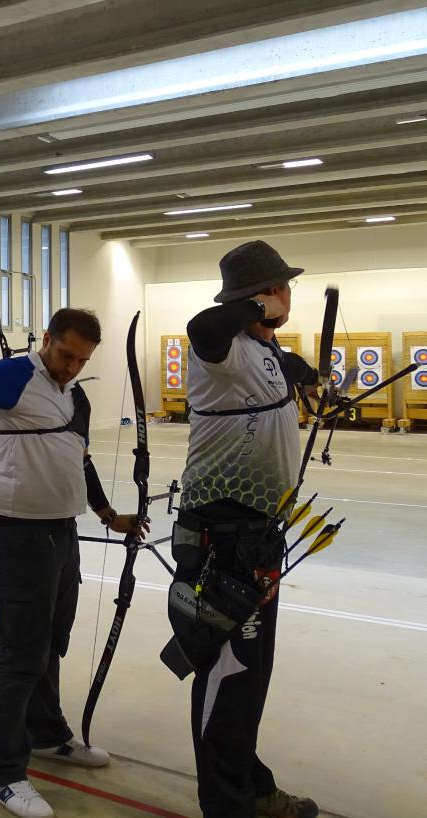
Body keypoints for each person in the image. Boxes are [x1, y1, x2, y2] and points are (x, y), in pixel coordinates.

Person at [0, 308, 147, 818]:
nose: (72, 366)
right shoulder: (18, 374)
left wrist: (107, 514)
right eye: (66, 354)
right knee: (21, 652)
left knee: (51, 640)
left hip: (61, 531)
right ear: (47, 339)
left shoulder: (76, 396)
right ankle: (3, 774)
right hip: (16, 531)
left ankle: (47, 734)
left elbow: (80, 459)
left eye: (82, 360)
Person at [170, 240, 319, 818]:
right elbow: (201, 326)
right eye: (279, 289)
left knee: (251, 674)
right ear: (260, 297)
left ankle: (250, 788)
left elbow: (286, 366)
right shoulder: (222, 348)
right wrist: (257, 306)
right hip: (222, 533)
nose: (286, 297)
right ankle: (226, 805)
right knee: (228, 670)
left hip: (259, 532)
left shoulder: (263, 347)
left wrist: (309, 377)